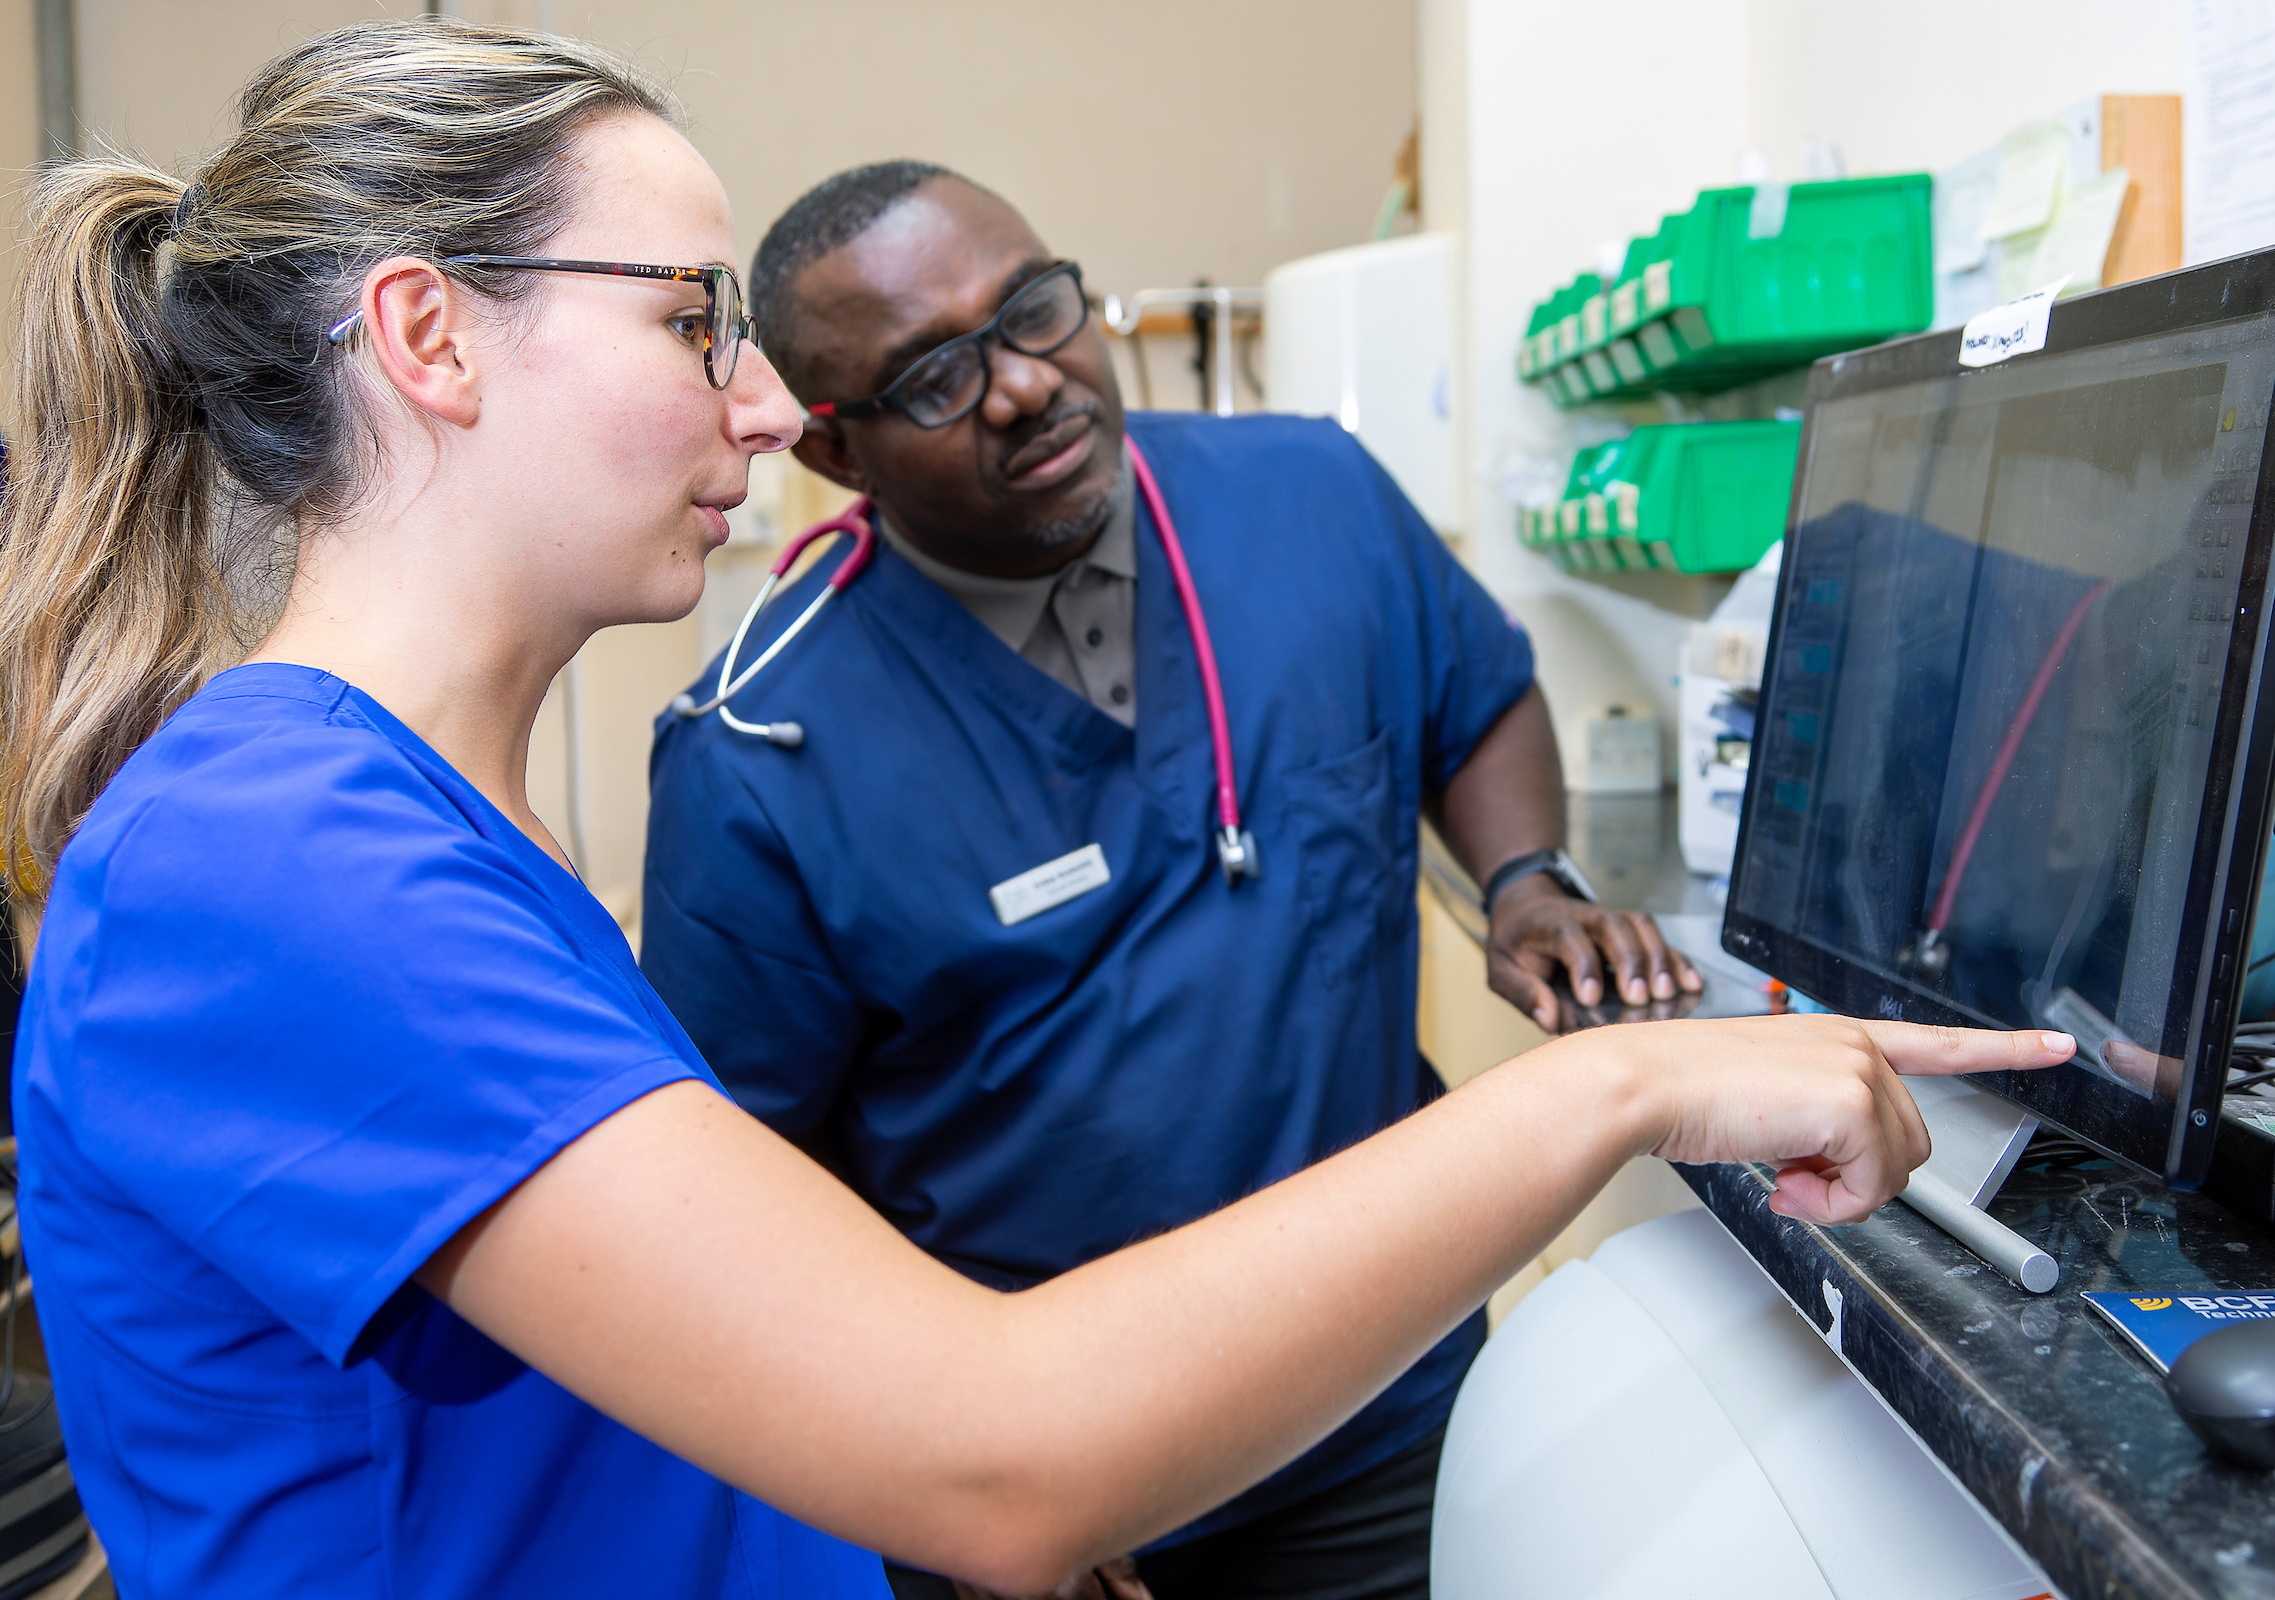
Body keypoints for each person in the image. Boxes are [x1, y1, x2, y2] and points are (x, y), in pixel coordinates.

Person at [0, 19, 2070, 1600]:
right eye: (693, 322)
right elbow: (1000, 1452)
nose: (764, 406)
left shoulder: (408, 825)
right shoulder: (281, 865)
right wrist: (1625, 1088)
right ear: (430, 338)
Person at [639, 164, 1695, 1598]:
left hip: (1388, 1416)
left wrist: (1526, 878)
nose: (1022, 383)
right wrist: (959, 1485)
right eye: (938, 377)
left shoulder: (1310, 497)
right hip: (1066, 1495)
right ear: (834, 452)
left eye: (1037, 310)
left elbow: (1480, 691)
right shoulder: (761, 749)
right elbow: (746, 1207)